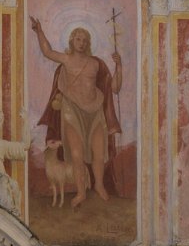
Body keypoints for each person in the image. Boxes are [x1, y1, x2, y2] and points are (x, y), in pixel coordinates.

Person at [30, 19, 122, 209]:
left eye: (84, 40)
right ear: (72, 41)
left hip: (95, 111)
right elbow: (47, 51)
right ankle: (81, 192)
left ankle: (99, 185)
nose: (81, 43)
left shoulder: (96, 64)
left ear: (88, 43)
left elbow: (115, 88)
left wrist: (119, 66)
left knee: (98, 153)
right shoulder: (66, 59)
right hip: (71, 111)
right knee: (77, 154)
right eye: (78, 39)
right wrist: (39, 31)